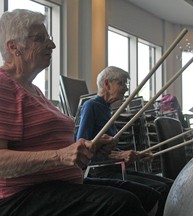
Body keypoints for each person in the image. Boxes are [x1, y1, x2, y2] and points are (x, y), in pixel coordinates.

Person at [0, 9, 158, 216]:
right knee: (122, 204)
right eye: (41, 39)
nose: (52, 45)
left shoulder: (33, 89)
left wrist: (91, 147)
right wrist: (60, 156)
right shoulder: (4, 85)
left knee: (150, 196)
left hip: (57, 184)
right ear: (14, 47)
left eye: (50, 38)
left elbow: (54, 146)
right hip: (19, 197)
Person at [77, 66, 174, 216]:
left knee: (169, 185)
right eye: (122, 83)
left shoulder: (107, 109)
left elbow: (107, 150)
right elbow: (82, 148)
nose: (126, 89)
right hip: (100, 172)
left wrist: (133, 155)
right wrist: (118, 156)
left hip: (115, 168)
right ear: (107, 84)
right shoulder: (91, 106)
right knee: (161, 190)